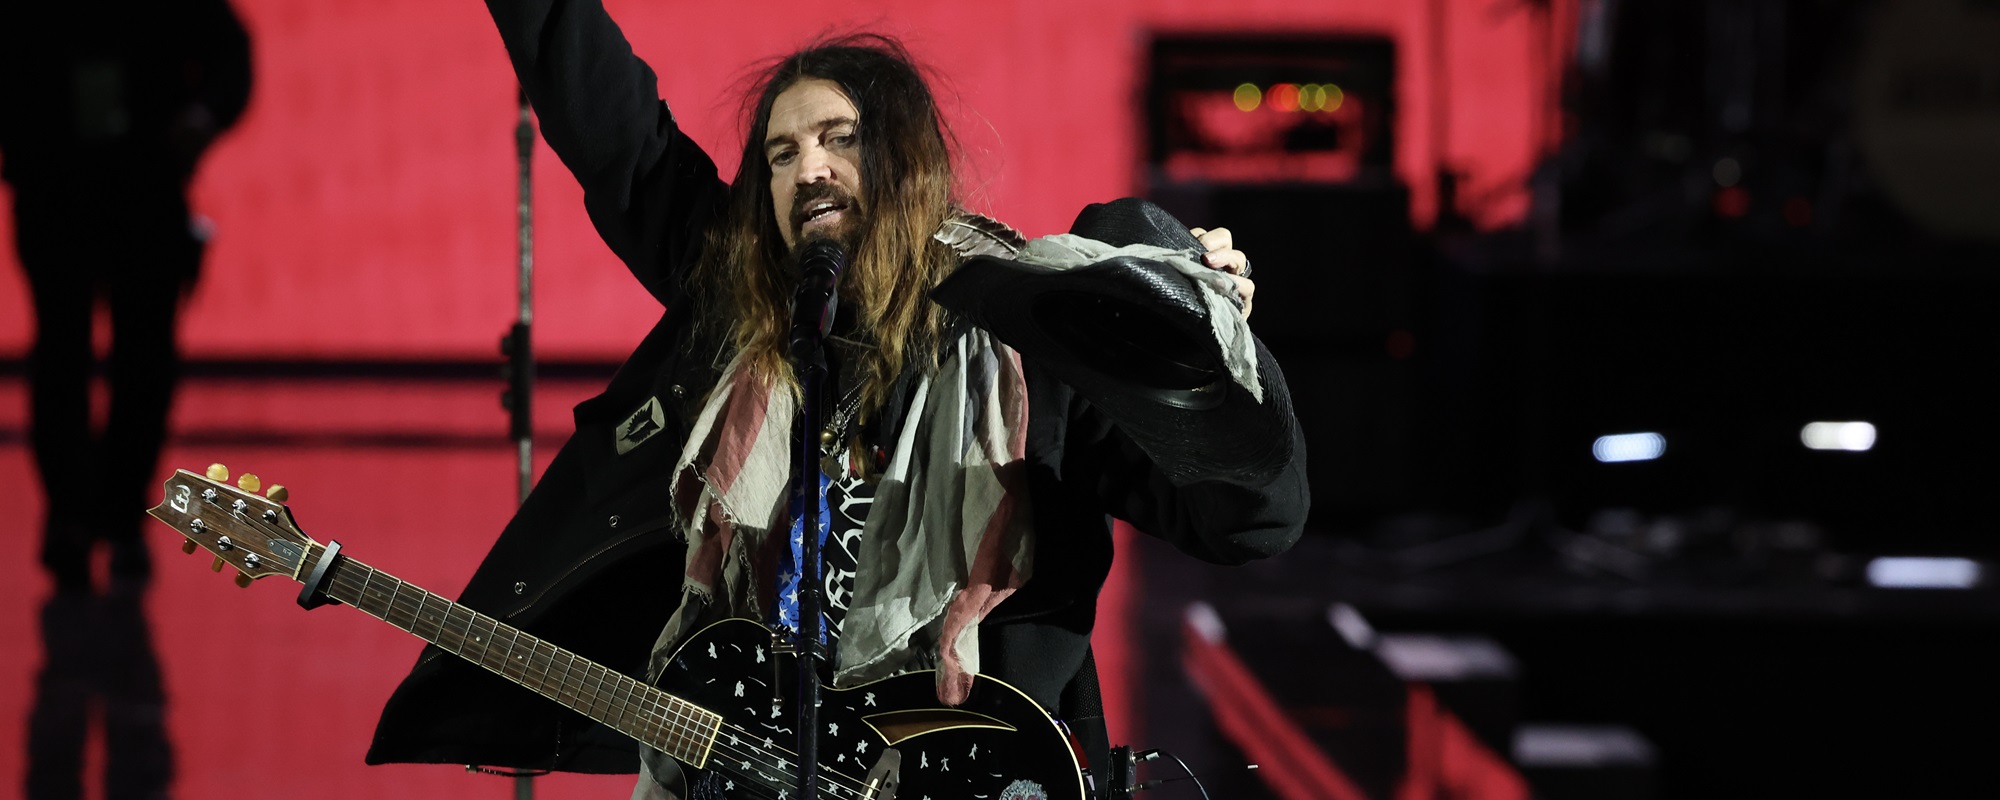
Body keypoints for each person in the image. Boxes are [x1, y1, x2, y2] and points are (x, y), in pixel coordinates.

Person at [367, 1, 1309, 797]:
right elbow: (616, 133)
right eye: (779, 154)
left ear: (905, 160)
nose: (806, 168)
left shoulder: (1033, 346)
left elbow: (1249, 523)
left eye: (839, 140)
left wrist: (1207, 368)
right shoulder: (737, 308)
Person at [0, 0, 253, 593]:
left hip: (134, 186)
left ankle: (108, 515)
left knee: (128, 357)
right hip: (64, 185)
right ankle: (84, 515)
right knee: (73, 353)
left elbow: (228, 56)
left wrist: (203, 114)